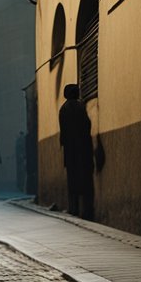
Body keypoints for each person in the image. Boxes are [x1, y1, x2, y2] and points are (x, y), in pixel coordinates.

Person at [58, 83, 95, 219]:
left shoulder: (63, 109)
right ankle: (86, 211)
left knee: (72, 180)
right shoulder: (80, 107)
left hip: (70, 151)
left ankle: (73, 208)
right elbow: (87, 125)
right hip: (83, 150)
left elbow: (63, 131)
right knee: (85, 180)